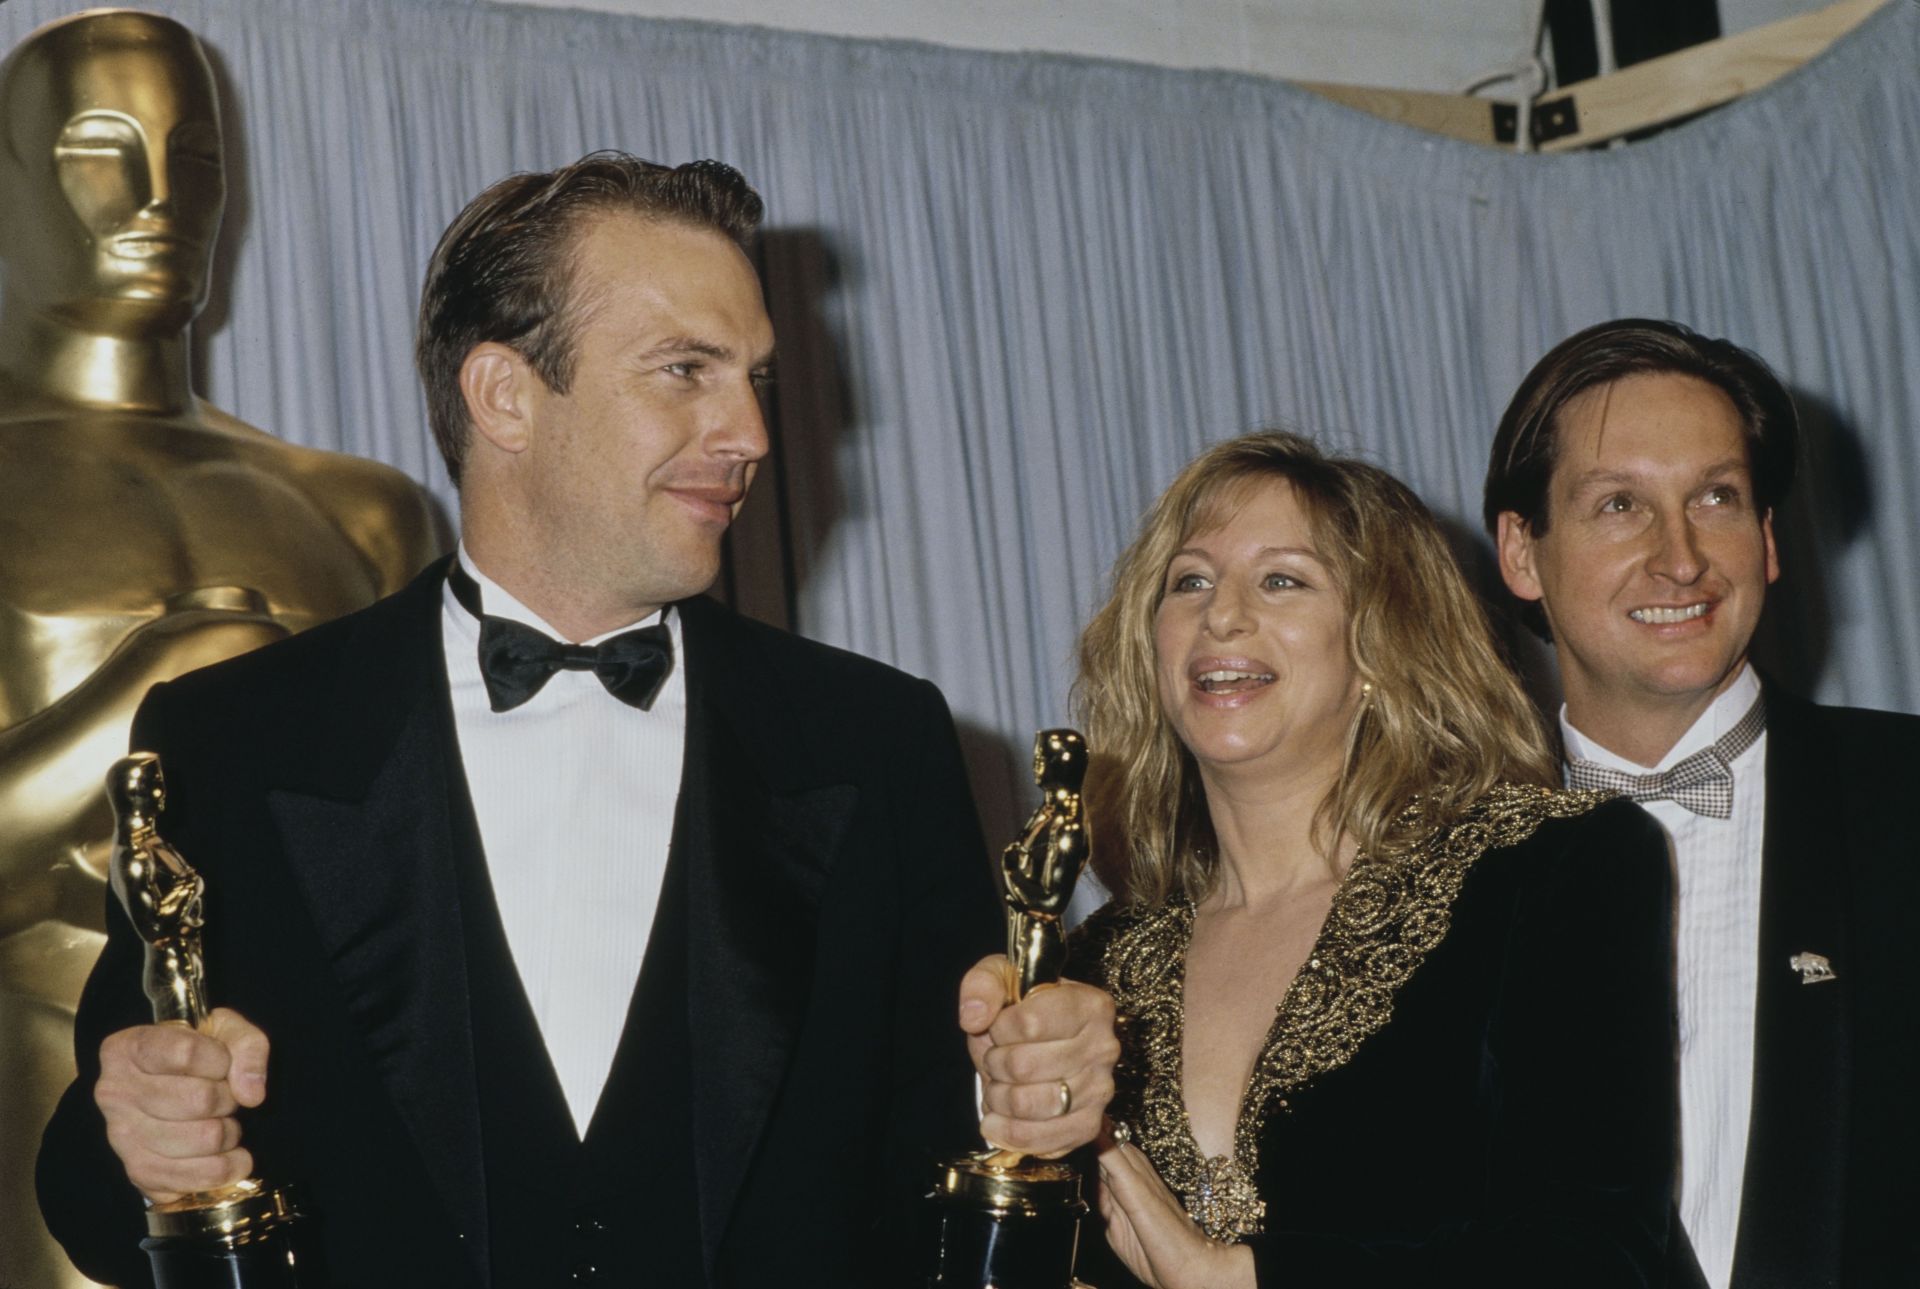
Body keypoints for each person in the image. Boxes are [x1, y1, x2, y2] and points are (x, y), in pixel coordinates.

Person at [38, 151, 1116, 1287]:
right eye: (684, 369)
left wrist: (1040, 1110)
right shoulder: (235, 739)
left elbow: (954, 1186)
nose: (750, 429)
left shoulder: (873, 740)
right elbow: (97, 1195)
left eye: (755, 376)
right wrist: (149, 1144)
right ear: (504, 393)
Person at [0, 13, 440, 1288]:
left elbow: (443, 846)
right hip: (47, 1062)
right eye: (99, 148)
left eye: (193, 157)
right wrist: (169, 682)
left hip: (328, 1076)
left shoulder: (362, 506)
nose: (156, 196)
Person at [1065, 431, 1677, 1288]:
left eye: (1282, 580)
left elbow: (1597, 1258)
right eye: (1190, 581)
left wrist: (1244, 1279)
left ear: (1382, 643)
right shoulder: (1097, 959)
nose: (1221, 615)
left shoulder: (1550, 865)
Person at [1484, 318, 1920, 1289]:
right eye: (1619, 505)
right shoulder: (1444, 873)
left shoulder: (1905, 798)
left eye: (1715, 496)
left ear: (1768, 536)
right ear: (1521, 552)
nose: (1679, 557)